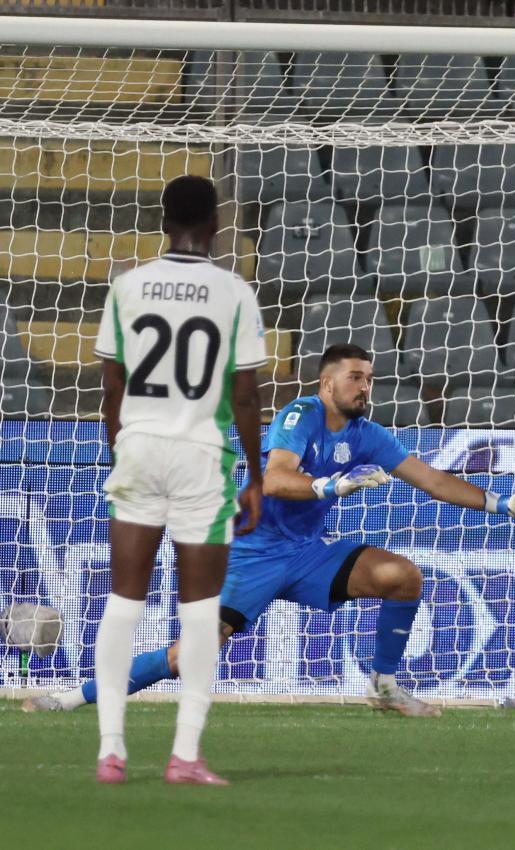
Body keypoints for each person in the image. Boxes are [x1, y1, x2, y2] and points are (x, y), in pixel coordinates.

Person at [27, 344, 515, 733]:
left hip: (307, 554)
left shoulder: (366, 433)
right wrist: (333, 483)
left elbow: (431, 480)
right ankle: (68, 699)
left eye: (370, 378)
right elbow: (275, 478)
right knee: (188, 656)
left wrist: (501, 504)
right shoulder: (300, 414)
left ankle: (383, 685)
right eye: (355, 377)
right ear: (328, 384)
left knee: (402, 577)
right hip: (250, 552)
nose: (365, 387)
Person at [87, 174, 266, 785]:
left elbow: (112, 382)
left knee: (122, 601)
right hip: (200, 454)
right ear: (215, 225)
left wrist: (119, 442)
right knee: (199, 610)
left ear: (163, 222)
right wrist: (257, 477)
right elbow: (244, 395)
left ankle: (111, 749)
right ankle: (184, 755)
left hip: (139, 446)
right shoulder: (234, 291)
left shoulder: (127, 286)